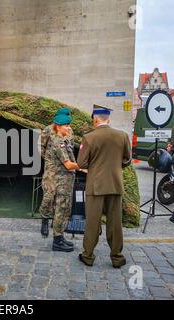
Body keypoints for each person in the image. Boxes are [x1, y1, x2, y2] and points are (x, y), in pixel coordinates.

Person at [77, 105, 131, 268]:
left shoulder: (89, 137)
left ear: (95, 119)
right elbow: (127, 160)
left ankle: (88, 256)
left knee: (93, 222)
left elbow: (81, 163)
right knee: (115, 223)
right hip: (115, 184)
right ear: (108, 118)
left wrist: (94, 167)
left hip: (96, 185)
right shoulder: (122, 136)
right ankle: (117, 257)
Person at [40, 108, 86, 252]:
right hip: (56, 172)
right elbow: (43, 148)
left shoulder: (66, 134)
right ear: (58, 123)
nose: (69, 127)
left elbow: (70, 149)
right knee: (52, 200)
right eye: (66, 124)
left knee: (63, 207)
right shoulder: (52, 136)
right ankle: (48, 224)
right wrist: (82, 167)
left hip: (66, 174)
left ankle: (59, 238)